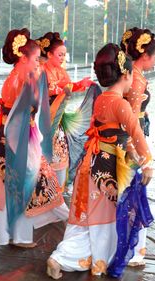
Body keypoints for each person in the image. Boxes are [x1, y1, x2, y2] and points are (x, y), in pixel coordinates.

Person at [47, 43, 154, 279]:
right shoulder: (121, 103)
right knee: (106, 217)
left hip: (94, 161)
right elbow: (136, 134)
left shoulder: (102, 99)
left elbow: (114, 133)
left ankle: (61, 257)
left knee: (91, 215)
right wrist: (147, 163)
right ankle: (72, 259)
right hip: (110, 167)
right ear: (125, 74)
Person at [0, 28, 69, 248]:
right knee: (27, 184)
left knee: (13, 184)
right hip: (18, 137)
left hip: (10, 135)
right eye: (36, 58)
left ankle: (10, 233)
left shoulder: (14, 77)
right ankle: (23, 234)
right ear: (23, 58)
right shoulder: (25, 78)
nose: (38, 62)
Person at [121, 28, 155, 266]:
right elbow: (132, 121)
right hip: (133, 142)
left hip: (134, 138)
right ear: (145, 55)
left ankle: (132, 247)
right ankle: (134, 249)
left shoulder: (133, 74)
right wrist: (139, 154)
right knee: (134, 193)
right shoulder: (135, 80)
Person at [36, 32, 94, 190]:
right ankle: (45, 186)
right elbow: (45, 90)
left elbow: (68, 86)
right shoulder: (41, 70)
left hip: (58, 117)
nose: (62, 58)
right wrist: (64, 89)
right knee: (46, 152)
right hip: (44, 118)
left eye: (64, 55)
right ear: (49, 54)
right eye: (59, 55)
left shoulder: (61, 71)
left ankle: (57, 188)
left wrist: (81, 84)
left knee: (62, 152)